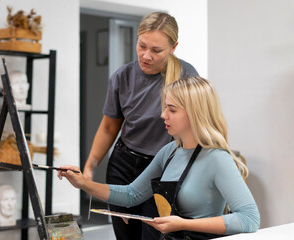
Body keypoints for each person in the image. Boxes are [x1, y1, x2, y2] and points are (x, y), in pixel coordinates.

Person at [58, 77, 260, 239]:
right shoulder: (170, 151)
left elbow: (250, 219)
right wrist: (83, 183)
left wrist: (182, 224)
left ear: (195, 114)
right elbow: (131, 195)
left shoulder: (217, 159)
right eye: (165, 107)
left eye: (172, 109)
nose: (163, 115)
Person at [83, 12, 199, 240]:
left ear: (173, 47)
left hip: (164, 170)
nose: (146, 56)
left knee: (154, 235)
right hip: (123, 166)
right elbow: (108, 128)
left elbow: (198, 128)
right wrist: (90, 166)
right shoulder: (122, 77)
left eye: (156, 50)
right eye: (141, 46)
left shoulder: (187, 77)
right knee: (126, 236)